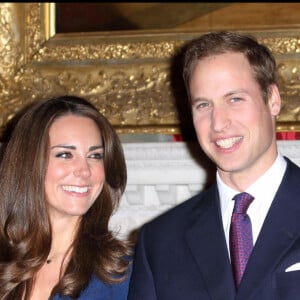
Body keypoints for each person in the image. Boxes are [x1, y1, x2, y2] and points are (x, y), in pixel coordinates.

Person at [128, 31, 300, 300]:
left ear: (273, 100)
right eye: (204, 105)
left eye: (235, 99)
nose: (218, 123)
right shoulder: (159, 241)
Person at [0, 96, 132, 299]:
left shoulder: (124, 274)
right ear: (29, 164)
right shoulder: (6, 261)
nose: (84, 170)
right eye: (65, 155)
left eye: (95, 156)